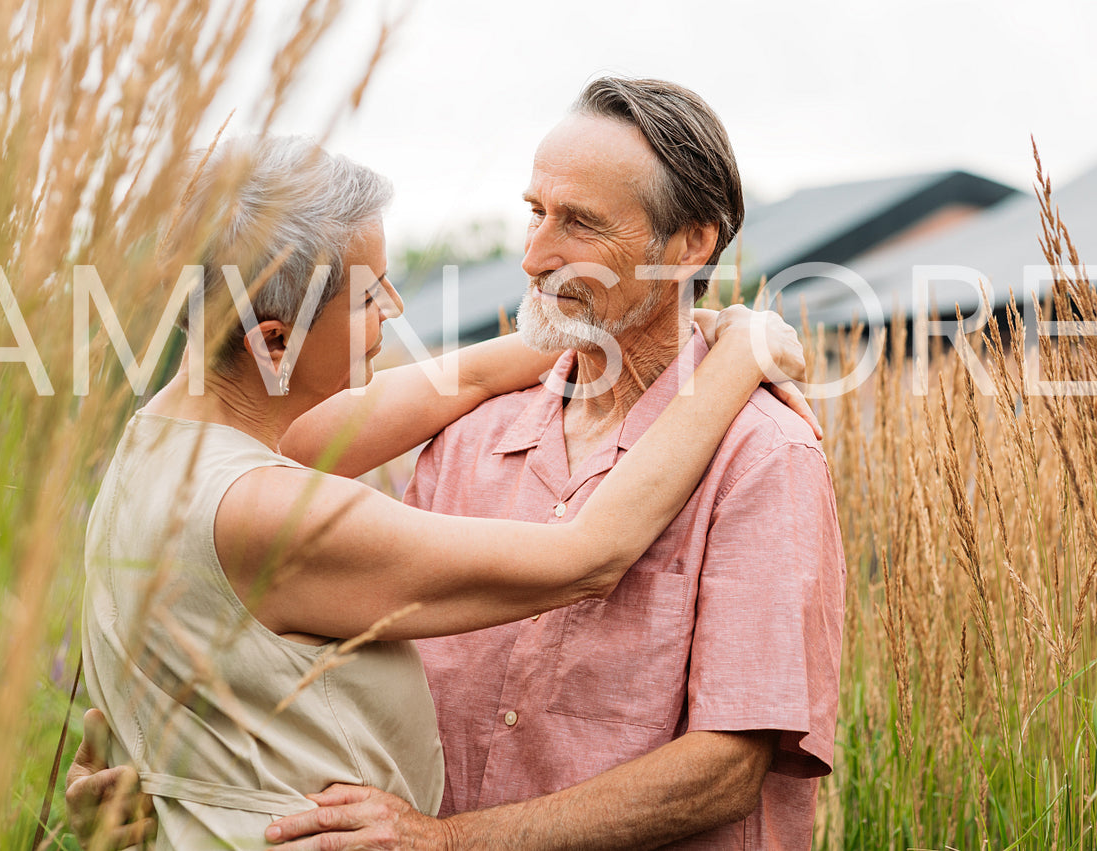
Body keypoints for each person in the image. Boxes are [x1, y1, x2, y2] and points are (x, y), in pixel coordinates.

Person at [76, 131, 816, 850]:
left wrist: (614, 319)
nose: (395, 309)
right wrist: (738, 355)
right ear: (273, 343)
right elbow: (591, 553)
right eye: (368, 297)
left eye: (577, 220)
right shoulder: (270, 508)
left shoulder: (161, 452)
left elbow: (459, 376)